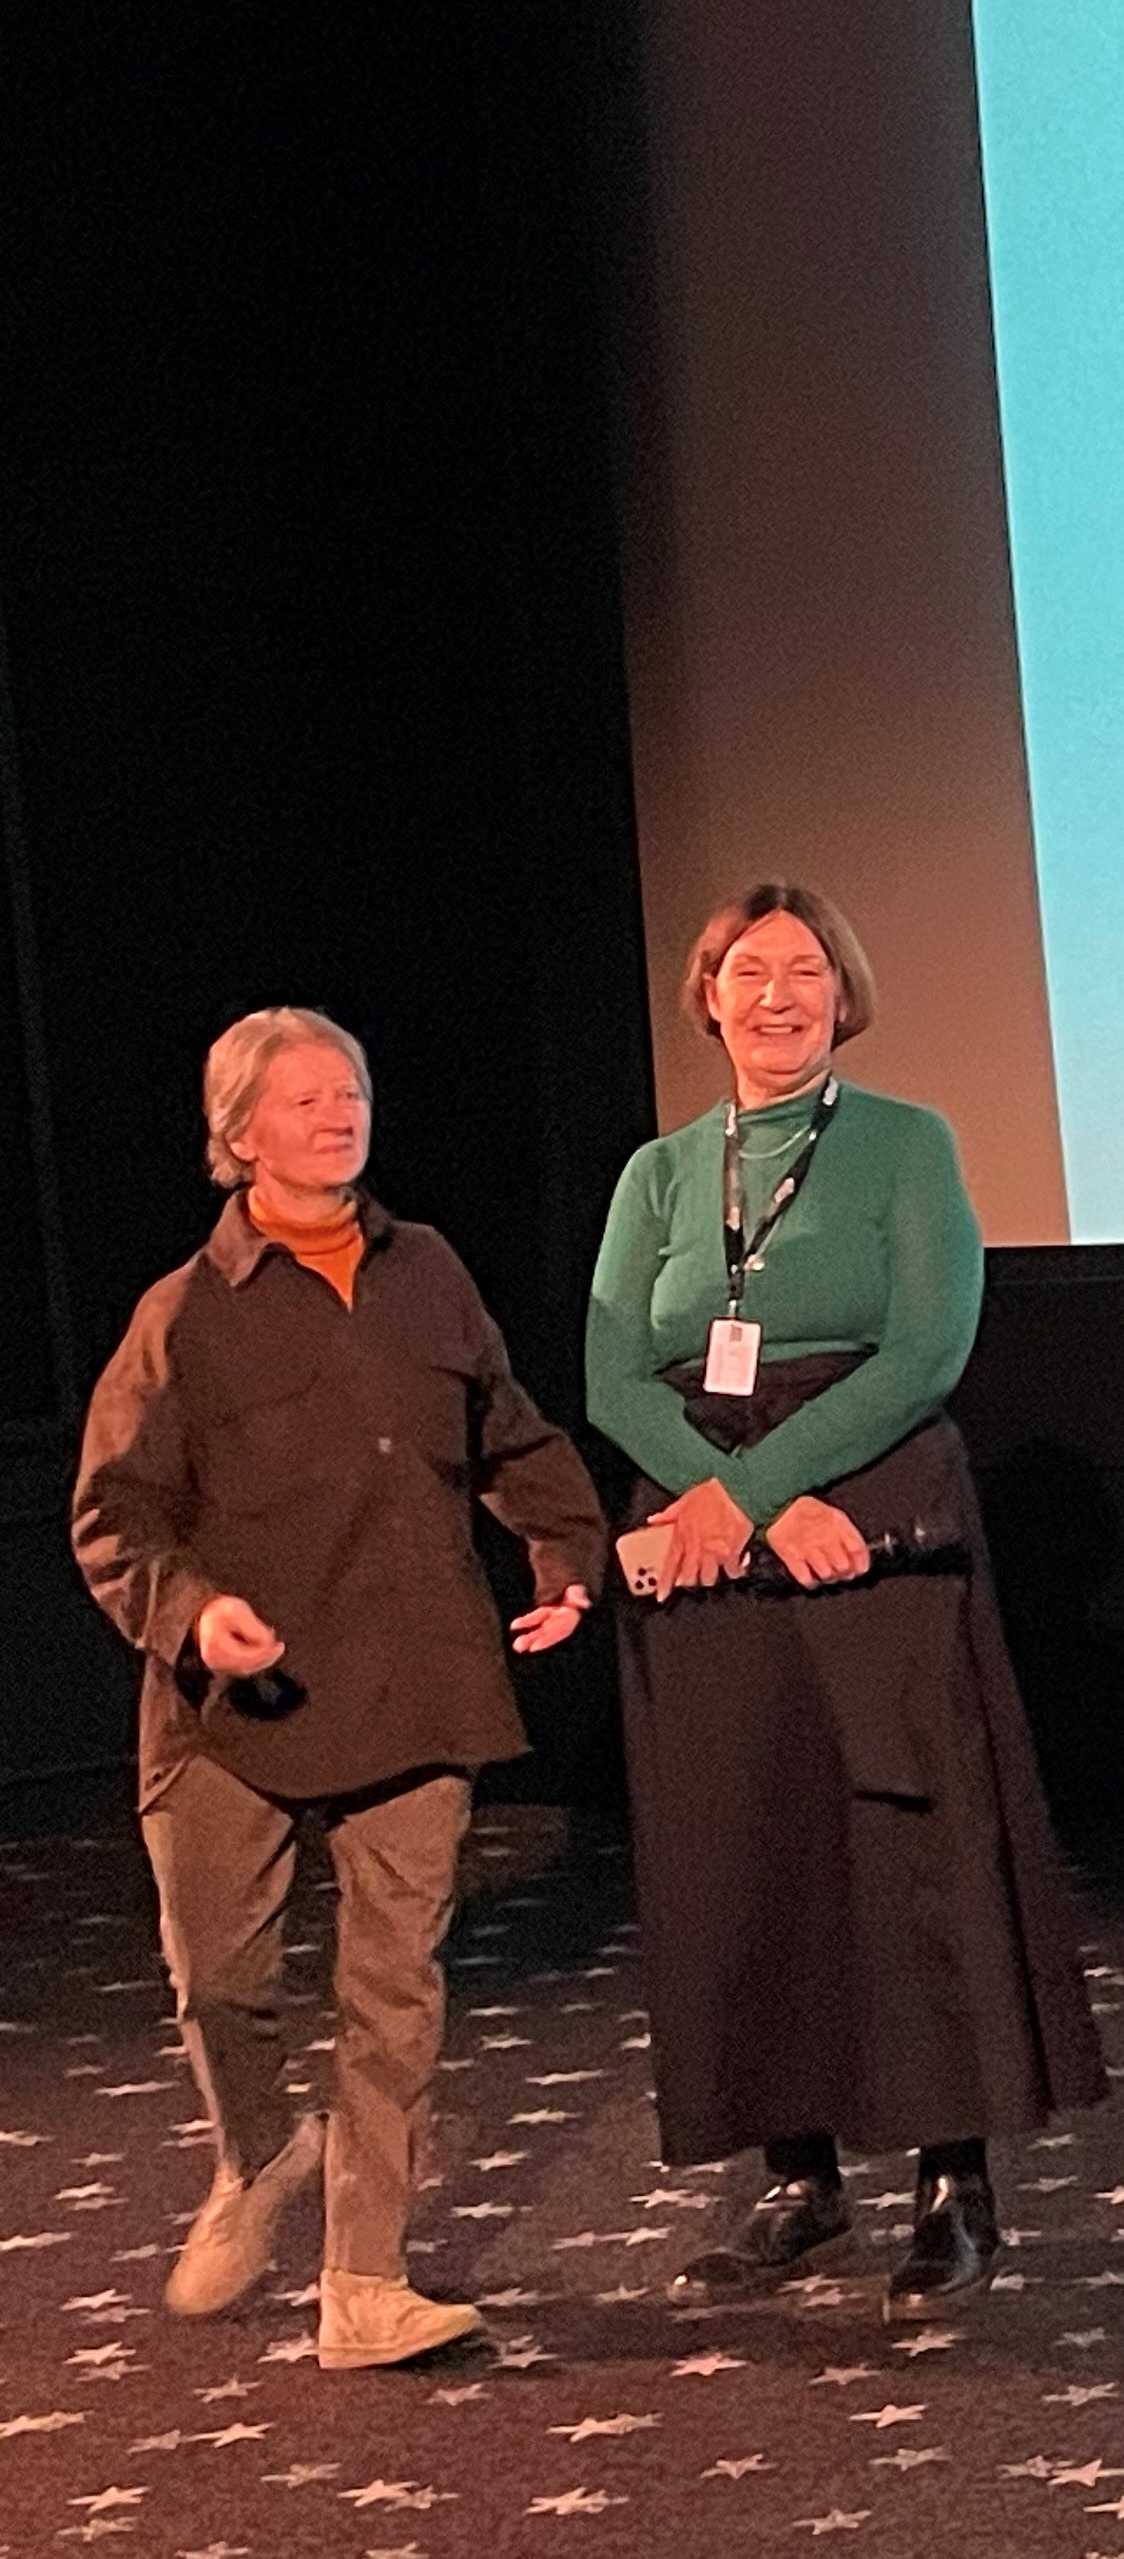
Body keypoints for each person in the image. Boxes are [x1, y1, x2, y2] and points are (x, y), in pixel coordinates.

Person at [586, 883, 1103, 2317]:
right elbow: (613, 1374)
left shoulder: (904, 1142)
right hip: (701, 1515)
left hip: (868, 1503)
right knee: (744, 1844)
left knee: (902, 1843)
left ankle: (952, 2184)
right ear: (708, 997)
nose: (778, 996)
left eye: (805, 971)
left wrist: (759, 1496)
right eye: (750, 972)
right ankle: (799, 2178)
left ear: (843, 992)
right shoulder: (659, 1174)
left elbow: (927, 1348)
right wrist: (733, 1503)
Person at [72, 1009, 606, 2371]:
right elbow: (114, 1514)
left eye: (352, 1090)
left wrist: (563, 1555)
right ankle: (258, 2153)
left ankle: (365, 2280)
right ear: (239, 1133)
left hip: (416, 1677)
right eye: (305, 1098)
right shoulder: (182, 1314)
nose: (337, 1114)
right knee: (219, 1977)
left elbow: (508, 1430)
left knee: (393, 1989)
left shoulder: (429, 1269)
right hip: (235, 1710)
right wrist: (195, 1616)